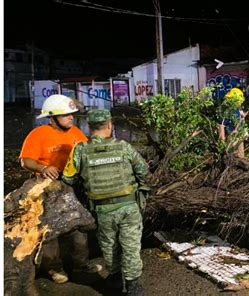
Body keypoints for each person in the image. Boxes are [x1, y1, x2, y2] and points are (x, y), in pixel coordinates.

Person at [63, 109, 150, 296]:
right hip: (128, 207)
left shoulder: (80, 150)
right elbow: (143, 170)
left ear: (89, 127)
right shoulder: (124, 147)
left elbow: (68, 178)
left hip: (103, 210)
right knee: (131, 247)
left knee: (109, 246)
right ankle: (133, 287)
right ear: (110, 124)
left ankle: (115, 281)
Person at [19, 94, 101, 284]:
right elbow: (25, 160)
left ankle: (81, 264)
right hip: (48, 190)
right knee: (50, 231)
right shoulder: (38, 135)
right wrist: (43, 168)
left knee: (79, 226)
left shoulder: (75, 133)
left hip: (72, 187)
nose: (71, 118)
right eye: (66, 115)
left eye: (71, 114)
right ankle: (54, 269)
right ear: (52, 117)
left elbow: (87, 151)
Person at [219, 87, 247, 158]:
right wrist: (222, 142)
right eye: (239, 101)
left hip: (239, 135)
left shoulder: (238, 108)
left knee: (241, 155)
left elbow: (242, 117)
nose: (240, 103)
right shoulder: (226, 111)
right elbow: (221, 126)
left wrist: (244, 131)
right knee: (232, 157)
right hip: (232, 136)